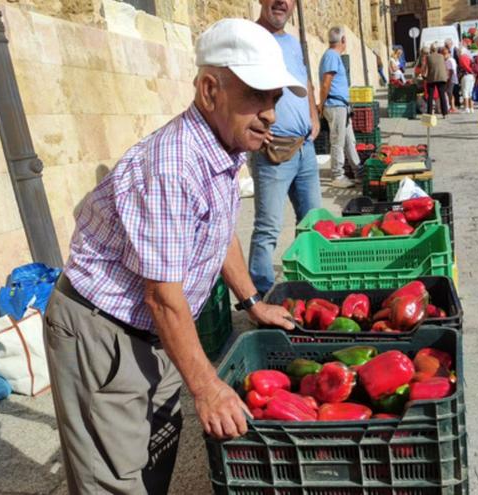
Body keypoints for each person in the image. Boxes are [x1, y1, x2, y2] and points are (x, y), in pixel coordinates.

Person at [43, 18, 301, 494]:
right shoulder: (173, 166)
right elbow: (163, 296)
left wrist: (251, 301)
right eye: (256, 96)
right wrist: (205, 387)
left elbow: (220, 234)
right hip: (104, 331)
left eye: (274, 99)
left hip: (153, 330)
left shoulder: (225, 148)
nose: (269, 113)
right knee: (116, 480)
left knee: (153, 456)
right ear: (209, 90)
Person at [248, 0, 322, 296]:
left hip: (305, 149)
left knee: (313, 222)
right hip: (272, 152)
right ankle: (260, 296)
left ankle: (313, 287)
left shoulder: (292, 43)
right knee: (268, 229)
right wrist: (252, 127)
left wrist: (314, 115)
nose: (282, 2)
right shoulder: (249, 38)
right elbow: (234, 87)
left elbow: (304, 80)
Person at [318, 26, 361, 188]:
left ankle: (358, 172)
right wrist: (321, 105)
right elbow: (326, 83)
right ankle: (337, 175)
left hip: (341, 105)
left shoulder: (333, 56)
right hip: (335, 105)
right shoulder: (331, 56)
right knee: (337, 140)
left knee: (350, 140)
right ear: (343, 40)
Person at [425, 43, 449, 118]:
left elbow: (426, 68)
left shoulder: (428, 57)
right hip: (441, 77)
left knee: (430, 96)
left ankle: (429, 113)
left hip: (432, 78)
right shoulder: (441, 56)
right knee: (442, 95)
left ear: (430, 49)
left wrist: (424, 76)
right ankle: (444, 113)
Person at [458, 47, 475, 113]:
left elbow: (465, 66)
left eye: (458, 51)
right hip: (471, 76)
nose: (458, 53)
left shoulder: (462, 57)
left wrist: (470, 71)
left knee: (465, 91)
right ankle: (471, 108)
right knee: (470, 92)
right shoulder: (468, 57)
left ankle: (466, 108)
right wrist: (473, 73)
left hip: (466, 75)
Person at [444, 47, 458, 113]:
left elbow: (451, 71)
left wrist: (448, 79)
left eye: (445, 54)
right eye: (443, 54)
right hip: (449, 78)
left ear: (449, 53)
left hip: (451, 78)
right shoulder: (447, 60)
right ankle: (451, 106)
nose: (444, 55)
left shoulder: (450, 60)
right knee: (449, 93)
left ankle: (453, 107)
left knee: (450, 93)